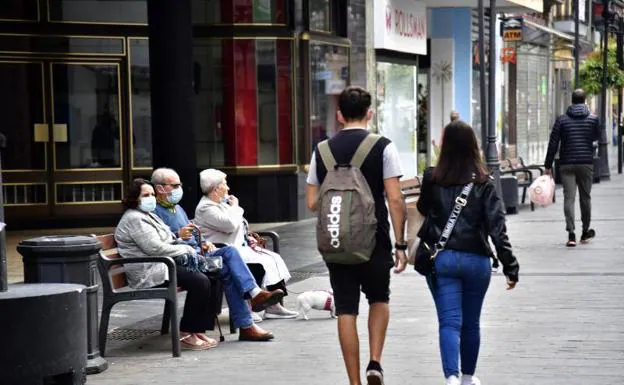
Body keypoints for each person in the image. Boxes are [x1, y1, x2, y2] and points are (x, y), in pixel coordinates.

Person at [305, 86, 408, 385]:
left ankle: (354, 382)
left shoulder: (321, 150)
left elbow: (312, 202)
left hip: (337, 240)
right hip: (375, 238)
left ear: (339, 115)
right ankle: (375, 362)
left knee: (346, 307)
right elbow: (395, 199)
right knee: (379, 298)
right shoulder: (383, 146)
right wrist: (401, 245)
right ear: (370, 113)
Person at [117, 178, 281, 344]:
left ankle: (245, 322)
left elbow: (168, 240)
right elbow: (154, 249)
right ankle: (191, 331)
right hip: (153, 269)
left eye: (152, 194)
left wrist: (189, 243)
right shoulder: (134, 218)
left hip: (168, 262)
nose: (151, 198)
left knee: (224, 265)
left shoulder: (148, 215)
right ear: (134, 198)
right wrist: (188, 249)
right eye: (146, 195)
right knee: (202, 279)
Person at [417, 120, 519, 385]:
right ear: (474, 146)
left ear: (445, 146)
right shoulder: (484, 182)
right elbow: (498, 229)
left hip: (444, 259)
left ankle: (450, 377)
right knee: (471, 323)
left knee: (449, 322)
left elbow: (423, 208)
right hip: (477, 261)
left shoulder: (432, 177)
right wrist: (510, 267)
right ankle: (467, 377)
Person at [193, 168, 298, 320]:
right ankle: (249, 304)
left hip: (235, 246)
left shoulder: (221, 204)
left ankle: (273, 306)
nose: (228, 188)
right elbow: (229, 224)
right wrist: (236, 207)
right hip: (222, 249)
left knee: (272, 258)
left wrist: (246, 237)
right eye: (225, 184)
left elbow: (238, 225)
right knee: (255, 261)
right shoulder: (205, 208)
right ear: (215, 188)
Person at [544, 89, 599, 247]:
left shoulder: (562, 120)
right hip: (585, 163)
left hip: (566, 163)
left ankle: (571, 234)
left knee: (569, 198)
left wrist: (548, 165)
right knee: (585, 198)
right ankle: (585, 231)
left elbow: (553, 143)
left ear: (572, 100)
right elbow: (597, 138)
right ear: (585, 100)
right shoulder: (593, 119)